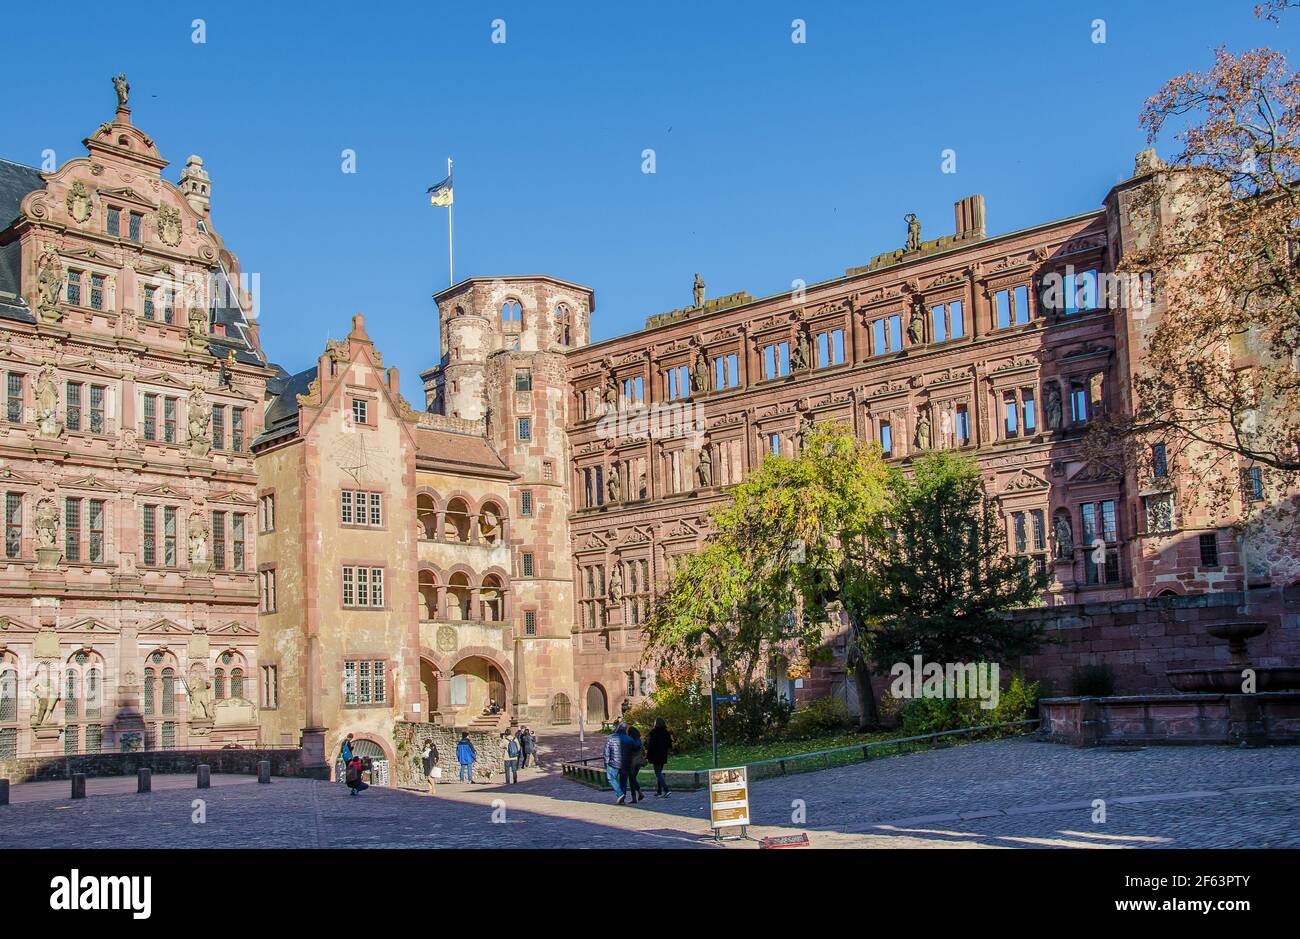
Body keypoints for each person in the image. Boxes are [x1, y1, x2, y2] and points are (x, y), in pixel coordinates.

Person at [646, 717, 674, 797]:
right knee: (659, 772)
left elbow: (650, 745)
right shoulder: (666, 732)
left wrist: (647, 756)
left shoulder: (653, 732)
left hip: (655, 756)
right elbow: (670, 745)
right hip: (663, 755)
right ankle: (659, 791)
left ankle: (666, 790)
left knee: (658, 773)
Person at [603, 724, 627, 803]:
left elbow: (606, 751)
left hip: (614, 762)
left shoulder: (611, 737)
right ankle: (622, 798)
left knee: (611, 778)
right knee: (623, 780)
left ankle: (620, 794)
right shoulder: (627, 738)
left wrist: (606, 762)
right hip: (624, 762)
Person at [624, 725, 646, 803]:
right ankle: (639, 794)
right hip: (639, 762)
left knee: (631, 779)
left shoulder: (630, 741)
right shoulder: (640, 740)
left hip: (632, 762)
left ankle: (636, 796)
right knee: (633, 779)